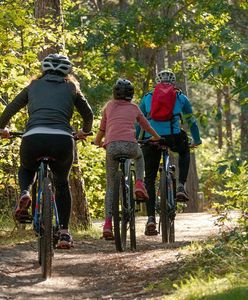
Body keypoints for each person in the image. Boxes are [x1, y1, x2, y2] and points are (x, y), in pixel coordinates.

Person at [0, 53, 93, 249]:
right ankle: (65, 233)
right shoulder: (71, 87)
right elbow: (88, 114)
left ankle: (25, 192)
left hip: (33, 137)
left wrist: (3, 129)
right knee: (61, 184)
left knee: (27, 169)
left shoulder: (33, 86)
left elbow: (9, 110)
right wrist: (84, 131)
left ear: (44, 70)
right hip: (62, 140)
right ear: (67, 72)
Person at [136, 70, 202, 236]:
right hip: (173, 137)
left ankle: (150, 218)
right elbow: (191, 121)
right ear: (173, 82)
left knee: (149, 178)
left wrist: (138, 138)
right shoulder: (181, 97)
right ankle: (180, 186)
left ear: (157, 82)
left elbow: (138, 121)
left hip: (152, 139)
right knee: (185, 151)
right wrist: (197, 139)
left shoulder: (147, 97)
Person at [94, 78, 160, 239]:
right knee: (139, 156)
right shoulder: (135, 108)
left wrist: (98, 142)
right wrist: (157, 137)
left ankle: (108, 225)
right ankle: (139, 183)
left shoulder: (109, 106)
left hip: (112, 147)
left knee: (110, 186)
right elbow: (146, 126)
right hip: (131, 146)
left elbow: (102, 129)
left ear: (114, 93)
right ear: (131, 94)